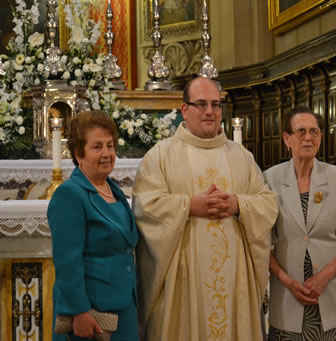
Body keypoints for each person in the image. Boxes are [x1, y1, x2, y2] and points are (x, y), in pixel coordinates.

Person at [132, 76, 278, 341]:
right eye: (201, 104)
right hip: (183, 285)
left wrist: (238, 204)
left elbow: (266, 203)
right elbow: (145, 205)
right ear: (184, 110)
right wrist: (189, 206)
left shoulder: (241, 157)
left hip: (235, 281)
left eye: (215, 104)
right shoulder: (161, 155)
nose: (210, 111)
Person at [263, 106, 336, 340]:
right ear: (286, 138)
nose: (308, 137)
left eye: (314, 132)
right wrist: (288, 282)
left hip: (335, 296)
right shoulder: (270, 179)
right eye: (301, 132)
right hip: (289, 299)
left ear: (320, 138)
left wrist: (323, 277)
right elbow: (261, 244)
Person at [48, 110, 139, 341]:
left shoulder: (112, 189)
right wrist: (78, 312)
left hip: (123, 308)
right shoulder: (69, 194)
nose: (107, 153)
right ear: (79, 153)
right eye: (97, 147)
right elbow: (67, 262)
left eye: (110, 145)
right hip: (90, 317)